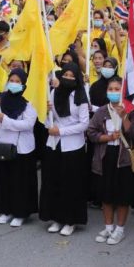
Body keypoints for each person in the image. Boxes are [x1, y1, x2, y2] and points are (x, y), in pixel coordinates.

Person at [87, 76, 134, 245]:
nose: (113, 92)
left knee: (122, 196)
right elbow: (91, 132)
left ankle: (120, 229)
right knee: (106, 195)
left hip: (123, 159)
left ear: (122, 91)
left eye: (117, 89)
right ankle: (108, 227)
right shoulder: (102, 111)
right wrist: (107, 137)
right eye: (110, 89)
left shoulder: (131, 110)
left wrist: (124, 116)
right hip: (105, 156)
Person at [39, 62, 90, 236]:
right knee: (53, 181)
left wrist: (61, 130)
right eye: (65, 75)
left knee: (71, 184)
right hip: (54, 144)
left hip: (73, 146)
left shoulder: (81, 97)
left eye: (71, 76)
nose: (68, 79)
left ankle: (71, 220)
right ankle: (56, 217)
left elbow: (84, 124)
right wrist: (47, 114)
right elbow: (49, 121)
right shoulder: (54, 93)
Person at [0, 68, 38, 227]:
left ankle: (20, 213)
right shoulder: (1, 98)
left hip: (22, 148)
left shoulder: (29, 101)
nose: (14, 84)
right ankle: (6, 210)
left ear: (24, 84)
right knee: (4, 180)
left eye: (18, 81)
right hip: (4, 145)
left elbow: (28, 124)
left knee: (20, 182)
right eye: (12, 80)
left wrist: (6, 121)